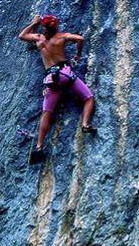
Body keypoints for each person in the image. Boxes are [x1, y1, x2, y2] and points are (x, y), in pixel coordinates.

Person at [18, 14, 96, 161]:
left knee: (46, 112)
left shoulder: (39, 38)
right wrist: (78, 54)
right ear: (56, 25)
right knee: (89, 98)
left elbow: (22, 35)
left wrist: (34, 23)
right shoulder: (62, 36)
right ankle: (85, 124)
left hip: (51, 78)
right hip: (66, 74)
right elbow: (80, 39)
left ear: (44, 27)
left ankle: (39, 146)